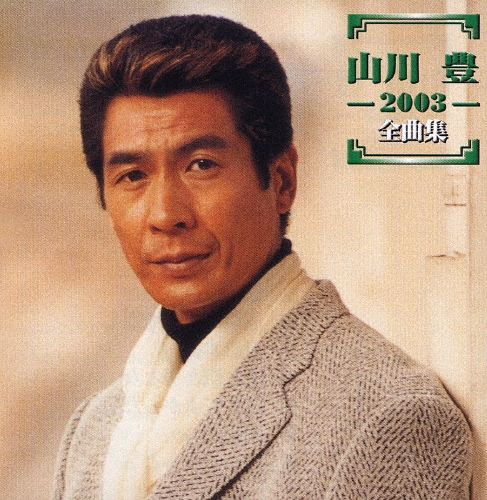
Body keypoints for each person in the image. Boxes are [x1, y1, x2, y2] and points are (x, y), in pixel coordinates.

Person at [54, 15, 472, 500]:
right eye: (132, 176)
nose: (166, 215)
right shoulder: (93, 431)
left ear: (281, 181)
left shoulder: (386, 417)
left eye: (201, 165)